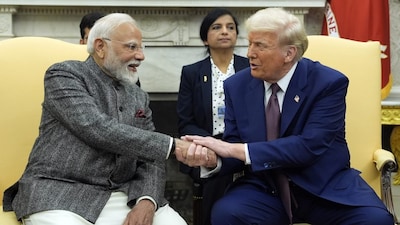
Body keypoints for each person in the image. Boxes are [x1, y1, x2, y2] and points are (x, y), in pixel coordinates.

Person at [177, 8, 395, 225]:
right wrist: (213, 158)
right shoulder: (237, 85)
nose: (250, 53)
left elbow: (309, 146)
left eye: (260, 46)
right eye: (250, 43)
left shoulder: (328, 83)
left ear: (289, 53)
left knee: (376, 220)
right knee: (227, 213)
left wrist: (234, 149)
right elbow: (234, 143)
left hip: (323, 187)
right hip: (265, 187)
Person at [2, 13, 192, 225]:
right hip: (57, 191)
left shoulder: (138, 95)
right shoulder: (64, 75)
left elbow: (150, 158)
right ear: (100, 47)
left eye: (141, 48)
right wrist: (173, 145)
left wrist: (146, 201)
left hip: (119, 194)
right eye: (131, 47)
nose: (141, 56)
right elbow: (96, 127)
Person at [176, 8, 249, 225]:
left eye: (230, 27)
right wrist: (213, 145)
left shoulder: (251, 68)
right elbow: (185, 121)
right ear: (205, 38)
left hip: (243, 143)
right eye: (216, 27)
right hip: (208, 145)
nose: (224, 32)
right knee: (216, 169)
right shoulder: (192, 72)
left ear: (237, 35)